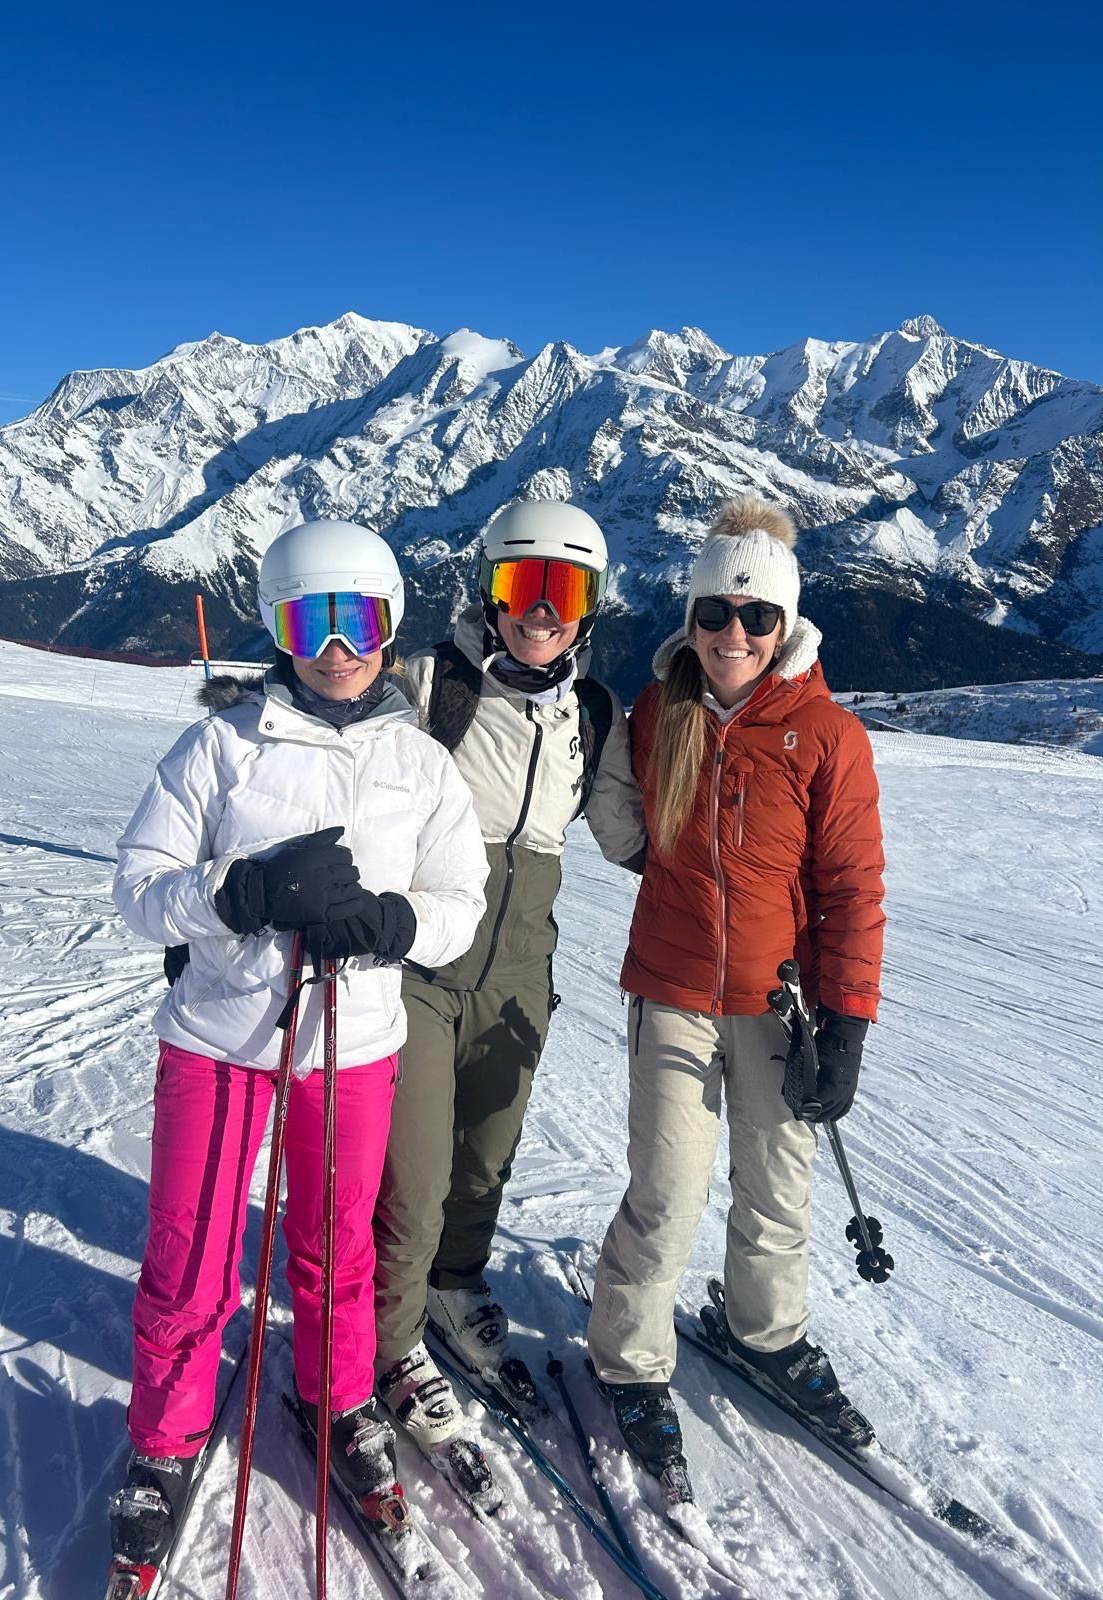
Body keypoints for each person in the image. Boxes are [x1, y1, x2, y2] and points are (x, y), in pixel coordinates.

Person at [107, 519, 488, 1574]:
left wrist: (397, 923)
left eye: (357, 619)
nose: (336, 648)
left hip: (354, 1041)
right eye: (310, 622)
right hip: (220, 1040)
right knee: (192, 1247)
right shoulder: (221, 747)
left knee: (336, 1246)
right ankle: (167, 1433)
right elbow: (138, 889)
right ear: (278, 629)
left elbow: (461, 902)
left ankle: (338, 1398)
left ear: (389, 623)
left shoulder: (420, 763)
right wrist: (239, 893)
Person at [586, 495, 885, 1490]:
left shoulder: (829, 736)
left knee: (776, 1185)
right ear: (691, 618)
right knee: (667, 1190)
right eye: (715, 612)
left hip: (777, 1004)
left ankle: (767, 1331)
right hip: (672, 988)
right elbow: (627, 836)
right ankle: (631, 1358)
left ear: (786, 623)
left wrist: (845, 1024)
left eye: (757, 616)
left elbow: (851, 891)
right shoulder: (656, 713)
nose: (734, 634)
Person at [371, 499, 646, 1451]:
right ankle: (390, 1341)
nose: (540, 612)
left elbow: (628, 838)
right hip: (419, 970)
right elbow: (334, 752)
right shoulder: (430, 683)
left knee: (485, 1158)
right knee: (415, 1176)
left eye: (563, 591)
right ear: (488, 590)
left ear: (591, 606)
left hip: (521, 971)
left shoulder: (593, 715)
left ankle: (454, 1284)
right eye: (522, 584)